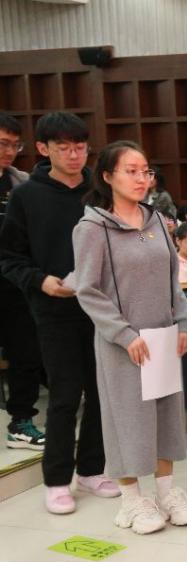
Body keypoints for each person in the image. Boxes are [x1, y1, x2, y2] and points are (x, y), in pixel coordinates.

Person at [73, 140, 187, 535]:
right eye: (131, 171)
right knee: (125, 419)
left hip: (163, 336)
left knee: (166, 417)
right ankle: (131, 500)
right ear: (107, 176)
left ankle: (166, 492)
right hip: (123, 343)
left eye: (146, 171)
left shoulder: (157, 221)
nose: (141, 178)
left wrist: (183, 323)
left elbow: (172, 281)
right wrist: (123, 333)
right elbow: (88, 290)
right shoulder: (92, 228)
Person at [0, 112, 117, 514]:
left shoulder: (100, 192)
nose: (73, 155)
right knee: (65, 394)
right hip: (54, 309)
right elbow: (9, 257)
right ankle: (56, 479)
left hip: (102, 309)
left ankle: (92, 469)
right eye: (63, 147)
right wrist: (40, 281)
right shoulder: (27, 196)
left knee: (102, 392)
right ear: (43, 149)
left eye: (80, 147)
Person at [0, 112, 45, 451]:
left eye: (15, 145)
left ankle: (21, 422)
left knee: (25, 352)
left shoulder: (23, 184)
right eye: (3, 144)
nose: (10, 152)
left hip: (15, 283)